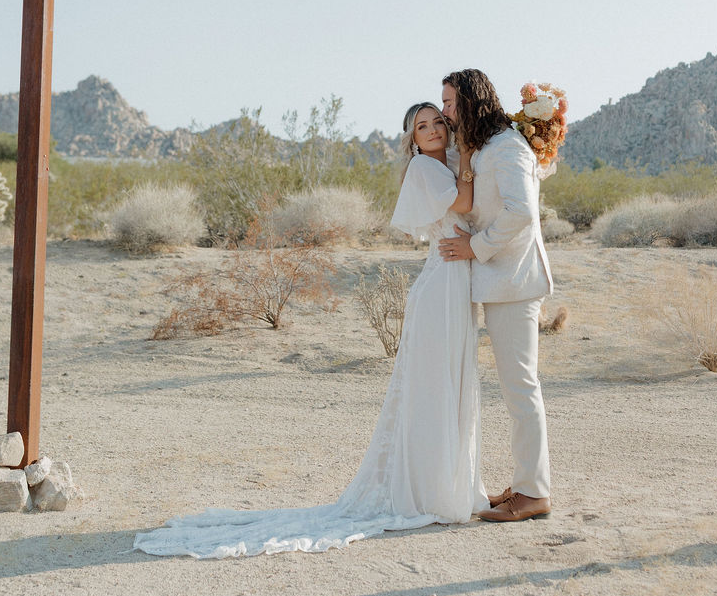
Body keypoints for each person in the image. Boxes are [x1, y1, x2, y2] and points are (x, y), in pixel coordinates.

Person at [133, 102, 487, 559]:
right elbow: (464, 203)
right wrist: (474, 162)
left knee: (451, 384)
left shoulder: (453, 164)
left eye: (438, 121)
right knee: (434, 386)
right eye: (422, 126)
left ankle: (449, 484)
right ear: (412, 139)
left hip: (455, 281)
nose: (434, 129)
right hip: (442, 282)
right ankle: (428, 492)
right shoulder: (425, 168)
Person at [438, 69, 553, 523]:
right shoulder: (486, 146)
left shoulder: (506, 147)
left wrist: (475, 247)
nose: (445, 111)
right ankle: (526, 484)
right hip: (500, 281)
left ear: (469, 100)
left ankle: (533, 494)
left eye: (449, 103)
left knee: (521, 387)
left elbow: (521, 212)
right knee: (515, 387)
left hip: (515, 282)